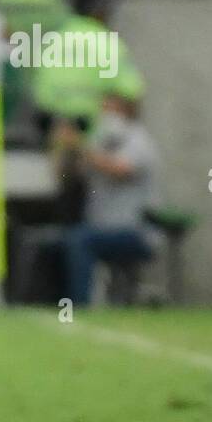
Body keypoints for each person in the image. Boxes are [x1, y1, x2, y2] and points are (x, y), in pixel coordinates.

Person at [53, 88, 161, 305]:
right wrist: (62, 146)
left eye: (109, 108)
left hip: (135, 230)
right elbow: (65, 177)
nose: (103, 115)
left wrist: (81, 146)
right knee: (64, 238)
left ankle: (80, 305)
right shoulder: (100, 142)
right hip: (102, 228)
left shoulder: (138, 140)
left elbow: (121, 169)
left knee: (80, 240)